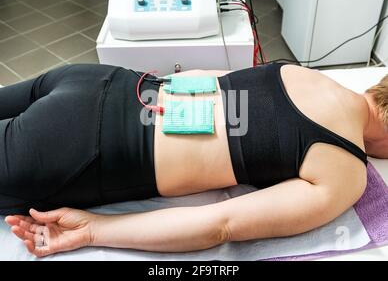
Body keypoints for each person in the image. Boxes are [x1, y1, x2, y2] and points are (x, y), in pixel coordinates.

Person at [2, 63, 386, 257]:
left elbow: (202, 79)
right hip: (80, 144)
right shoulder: (346, 170)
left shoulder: (304, 73)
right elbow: (220, 225)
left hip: (93, 80)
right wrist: (91, 231)